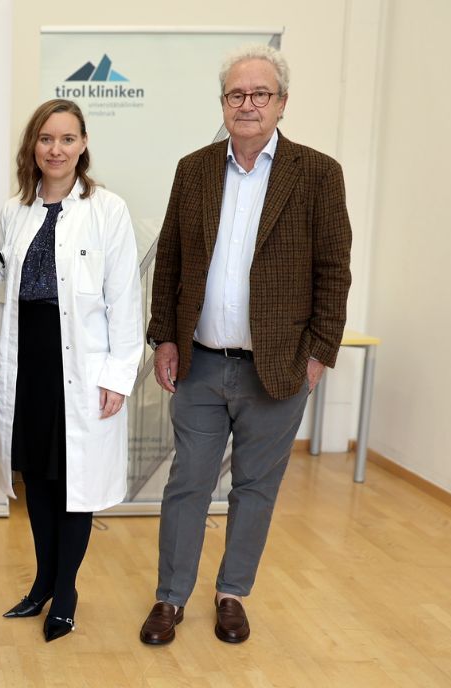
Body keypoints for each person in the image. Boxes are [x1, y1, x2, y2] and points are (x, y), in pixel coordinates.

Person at [139, 44, 352, 646]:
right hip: (202, 362)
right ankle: (169, 599)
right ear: (224, 104)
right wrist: (164, 339)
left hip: (278, 369)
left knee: (256, 488)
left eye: (261, 94)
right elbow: (172, 262)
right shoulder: (194, 168)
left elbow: (335, 270)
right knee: (188, 484)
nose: (249, 104)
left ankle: (232, 593)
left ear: (282, 103)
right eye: (237, 94)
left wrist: (318, 354)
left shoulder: (317, 173)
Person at [0, 99, 142, 643]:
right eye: (46, 139)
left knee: (77, 483)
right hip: (27, 359)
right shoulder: (13, 211)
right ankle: (42, 581)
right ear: (33, 146)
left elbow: (125, 297)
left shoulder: (107, 209)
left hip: (84, 364)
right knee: (38, 475)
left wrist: (118, 375)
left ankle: (65, 592)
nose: (56, 149)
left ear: (83, 144)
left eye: (67, 139)